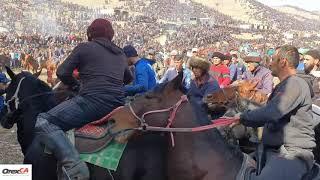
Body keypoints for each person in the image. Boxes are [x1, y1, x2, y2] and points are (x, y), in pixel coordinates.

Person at [33, 18, 132, 179]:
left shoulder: (84, 47)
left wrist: (77, 85)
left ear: (90, 33)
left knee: (43, 121)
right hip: (118, 105)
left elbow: (62, 72)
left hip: (92, 102)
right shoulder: (120, 53)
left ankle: (73, 165)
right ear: (111, 35)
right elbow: (128, 79)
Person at [239, 45, 317, 180]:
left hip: (292, 153)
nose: (270, 63)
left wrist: (242, 117)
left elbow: (272, 112)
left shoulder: (295, 83)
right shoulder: (286, 84)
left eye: (273, 59)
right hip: (276, 150)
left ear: (283, 62)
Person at [188, 57, 220, 124]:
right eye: (193, 68)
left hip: (205, 117)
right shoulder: (194, 81)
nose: (194, 70)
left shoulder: (212, 83)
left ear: (204, 69)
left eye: (197, 68)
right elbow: (190, 95)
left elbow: (205, 103)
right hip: (192, 112)